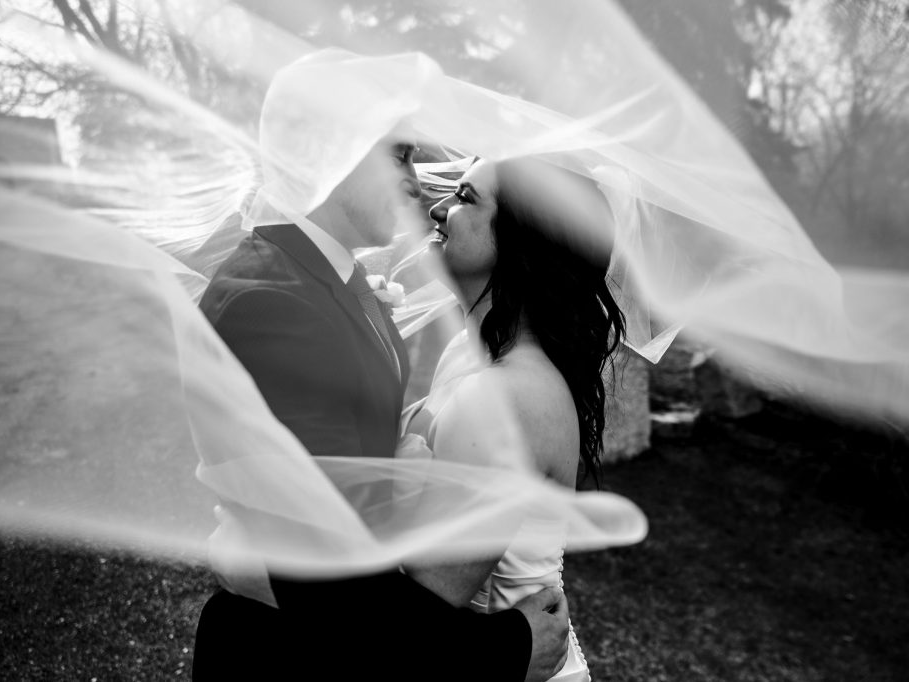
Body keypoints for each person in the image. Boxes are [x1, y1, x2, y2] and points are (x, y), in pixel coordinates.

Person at [191, 55, 571, 682]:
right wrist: (508, 648)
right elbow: (331, 592)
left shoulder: (331, 283)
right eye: (399, 155)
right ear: (330, 151)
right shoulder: (273, 304)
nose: (423, 183)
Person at [400, 155, 627, 682]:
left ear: (522, 240)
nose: (437, 209)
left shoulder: (508, 398)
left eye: (464, 198)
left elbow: (425, 608)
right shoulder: (471, 351)